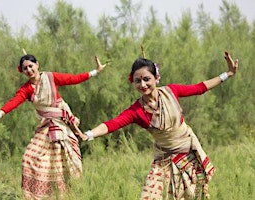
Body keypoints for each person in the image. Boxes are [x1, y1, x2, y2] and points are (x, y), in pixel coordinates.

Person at [78, 51, 239, 199]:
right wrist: (89, 134)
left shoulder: (171, 92)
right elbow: (113, 124)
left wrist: (228, 74)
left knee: (194, 195)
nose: (142, 85)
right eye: (137, 81)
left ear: (156, 78)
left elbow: (199, 88)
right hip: (164, 160)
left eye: (146, 79)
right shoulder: (136, 110)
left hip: (188, 154)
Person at [0, 53, 106, 199]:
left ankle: (67, 194)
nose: (28, 70)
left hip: (62, 125)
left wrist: (95, 71)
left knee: (61, 162)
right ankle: (36, 195)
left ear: (37, 65)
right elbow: (13, 102)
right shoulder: (26, 89)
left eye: (30, 66)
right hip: (45, 127)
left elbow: (73, 79)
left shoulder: (50, 77)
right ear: (22, 71)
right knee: (29, 158)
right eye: (25, 68)